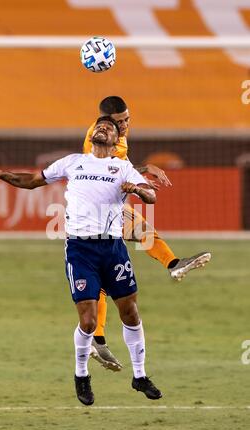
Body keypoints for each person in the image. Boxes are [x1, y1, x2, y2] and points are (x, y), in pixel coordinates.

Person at [0, 115, 162, 406]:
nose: (103, 128)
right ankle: (81, 375)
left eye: (110, 127)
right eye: (99, 125)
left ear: (116, 141)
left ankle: (139, 376)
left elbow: (151, 196)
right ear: (92, 135)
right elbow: (33, 180)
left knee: (131, 313)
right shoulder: (73, 161)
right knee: (88, 321)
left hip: (113, 248)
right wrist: (1, 174)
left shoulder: (123, 167)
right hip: (80, 249)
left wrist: (137, 189)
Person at [84, 96, 211, 372]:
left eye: (128, 118)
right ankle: (173, 265)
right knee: (140, 234)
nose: (126, 124)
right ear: (106, 122)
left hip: (106, 209)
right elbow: (112, 170)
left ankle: (98, 338)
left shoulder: (118, 137)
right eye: (120, 121)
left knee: (121, 256)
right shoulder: (100, 137)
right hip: (96, 212)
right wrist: (146, 170)